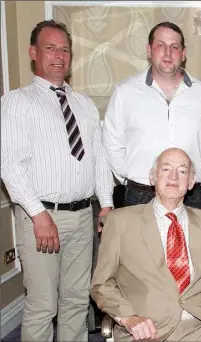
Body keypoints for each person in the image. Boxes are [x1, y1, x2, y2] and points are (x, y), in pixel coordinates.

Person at [1, 20, 113, 342]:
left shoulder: (84, 105)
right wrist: (39, 215)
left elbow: (99, 158)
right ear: (33, 52)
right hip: (42, 218)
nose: (59, 55)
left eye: (65, 49)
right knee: (43, 305)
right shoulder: (17, 102)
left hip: (82, 216)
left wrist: (105, 204)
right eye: (50, 48)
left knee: (77, 301)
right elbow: (9, 164)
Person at [90, 148, 201, 341]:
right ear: (152, 177)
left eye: (182, 171)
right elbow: (102, 284)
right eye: (165, 169)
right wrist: (128, 318)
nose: (174, 176)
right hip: (147, 330)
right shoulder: (120, 221)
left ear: (191, 182)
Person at [103, 21, 201, 209]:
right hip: (140, 196)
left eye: (174, 47)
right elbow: (112, 143)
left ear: (183, 53)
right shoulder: (125, 92)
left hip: (191, 197)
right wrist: (132, 177)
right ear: (149, 50)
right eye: (160, 46)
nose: (167, 53)